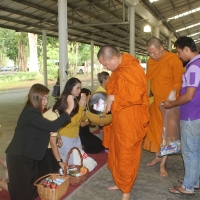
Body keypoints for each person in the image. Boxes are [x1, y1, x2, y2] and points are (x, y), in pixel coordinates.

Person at [2, 83, 74, 200]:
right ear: (35, 97)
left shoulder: (34, 111)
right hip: (19, 156)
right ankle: (2, 182)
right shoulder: (30, 112)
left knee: (32, 191)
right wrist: (69, 108)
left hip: (28, 155)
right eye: (43, 98)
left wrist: (53, 134)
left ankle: (6, 177)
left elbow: (40, 129)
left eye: (46, 98)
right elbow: (52, 126)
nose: (45, 102)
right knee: (22, 194)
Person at [97, 45, 149, 200]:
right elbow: (112, 87)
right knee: (117, 153)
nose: (105, 68)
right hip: (119, 120)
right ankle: (120, 182)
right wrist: (109, 97)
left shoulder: (132, 69)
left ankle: (126, 190)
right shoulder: (118, 70)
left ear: (113, 58)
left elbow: (137, 95)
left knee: (127, 155)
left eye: (106, 64)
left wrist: (114, 98)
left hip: (130, 122)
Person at [163, 36, 200, 195]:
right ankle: (194, 180)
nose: (178, 56)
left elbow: (189, 95)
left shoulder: (193, 67)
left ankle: (187, 186)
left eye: (179, 52)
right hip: (196, 113)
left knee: (189, 152)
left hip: (191, 115)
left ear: (186, 49)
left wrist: (171, 104)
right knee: (196, 151)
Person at [143, 37, 183, 176]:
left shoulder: (173, 59)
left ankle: (163, 164)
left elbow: (178, 80)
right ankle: (157, 156)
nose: (152, 56)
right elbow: (148, 80)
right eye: (149, 53)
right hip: (156, 103)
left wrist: (173, 91)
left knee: (167, 135)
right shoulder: (150, 62)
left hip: (169, 105)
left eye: (154, 52)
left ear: (161, 48)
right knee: (154, 132)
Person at [57, 78, 87, 164]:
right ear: (70, 87)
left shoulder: (75, 100)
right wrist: (81, 107)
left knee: (79, 159)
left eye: (80, 88)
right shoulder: (66, 101)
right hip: (65, 136)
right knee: (70, 162)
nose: (79, 91)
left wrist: (84, 109)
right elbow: (71, 121)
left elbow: (80, 119)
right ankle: (69, 177)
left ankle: (76, 176)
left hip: (75, 134)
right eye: (77, 88)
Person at [79, 88, 104, 153]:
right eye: (89, 96)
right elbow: (82, 124)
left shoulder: (87, 106)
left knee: (101, 145)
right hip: (81, 134)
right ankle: (83, 147)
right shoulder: (80, 108)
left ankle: (85, 145)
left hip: (87, 132)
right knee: (96, 148)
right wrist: (92, 120)